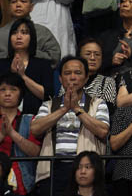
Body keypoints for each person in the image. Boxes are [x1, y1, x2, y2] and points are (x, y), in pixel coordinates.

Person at [31, 56, 110, 196]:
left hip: (85, 170)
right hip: (54, 168)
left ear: (86, 78)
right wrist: (63, 109)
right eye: (67, 73)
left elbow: (103, 131)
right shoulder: (48, 105)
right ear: (60, 79)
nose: (72, 77)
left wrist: (77, 109)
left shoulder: (98, 103)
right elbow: (35, 129)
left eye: (78, 73)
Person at [0, 18, 53, 115]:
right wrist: (12, 74)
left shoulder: (43, 64)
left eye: (24, 33)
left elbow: (47, 95)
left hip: (35, 117)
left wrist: (23, 76)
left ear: (31, 37)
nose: (19, 36)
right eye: (14, 33)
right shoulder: (1, 64)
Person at [0, 0, 61, 67]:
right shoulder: (1, 33)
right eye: (14, 2)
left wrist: (30, 52)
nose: (18, 5)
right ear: (9, 7)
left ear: (31, 7)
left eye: (23, 1)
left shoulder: (43, 32)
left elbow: (54, 57)